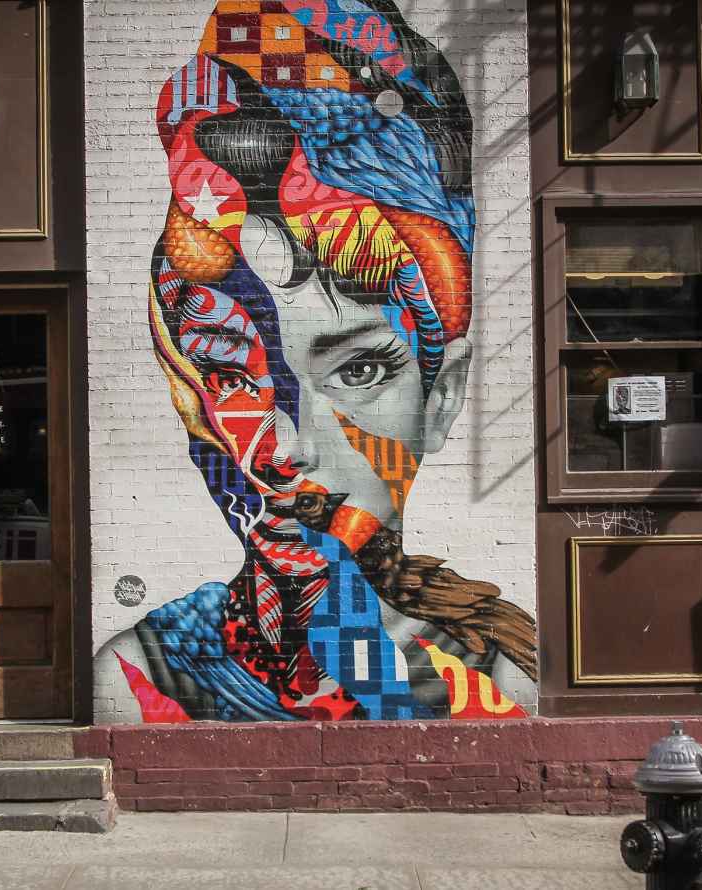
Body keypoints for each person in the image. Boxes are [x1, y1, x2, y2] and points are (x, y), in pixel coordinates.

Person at [95, 0, 537, 723]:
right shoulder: (137, 687)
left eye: (358, 370)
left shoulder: (505, 682)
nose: (288, 447)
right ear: (190, 399)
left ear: (442, 397)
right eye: (236, 377)